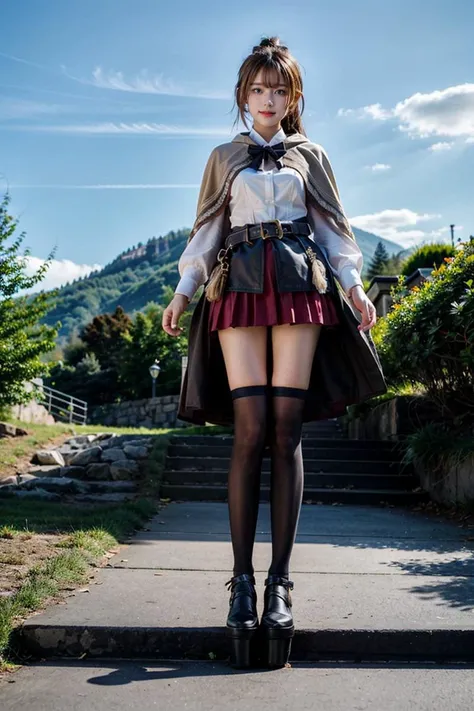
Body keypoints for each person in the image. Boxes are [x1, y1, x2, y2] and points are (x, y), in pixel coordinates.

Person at [162, 36, 386, 669]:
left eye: (279, 90)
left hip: (297, 288)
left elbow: (333, 230)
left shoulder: (310, 156)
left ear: (294, 98)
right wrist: (182, 294)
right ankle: (239, 585)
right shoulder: (223, 157)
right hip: (235, 288)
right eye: (258, 90)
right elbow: (206, 230)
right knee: (249, 431)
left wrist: (355, 287)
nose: (268, 100)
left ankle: (280, 585)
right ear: (242, 96)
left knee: (286, 432)